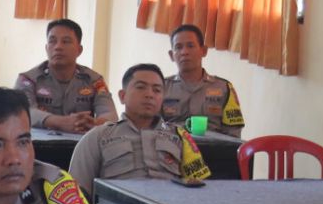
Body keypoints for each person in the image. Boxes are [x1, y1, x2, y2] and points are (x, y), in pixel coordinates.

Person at [69, 64, 207, 194]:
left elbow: (200, 190)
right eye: (141, 87)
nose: (149, 94)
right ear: (122, 96)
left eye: (157, 90)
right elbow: (76, 194)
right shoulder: (97, 137)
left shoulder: (180, 137)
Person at [14, 19, 117, 133]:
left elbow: (110, 115)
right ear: (46, 48)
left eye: (66, 41)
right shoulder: (28, 80)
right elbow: (23, 112)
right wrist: (59, 122)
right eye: (52, 41)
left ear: (79, 50)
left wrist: (95, 123)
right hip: (39, 143)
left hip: (81, 142)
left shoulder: (94, 81)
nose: (58, 47)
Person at [161, 24, 244, 137]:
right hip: (172, 146)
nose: (184, 52)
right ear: (171, 55)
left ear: (203, 51)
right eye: (178, 47)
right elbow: (151, 126)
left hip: (213, 147)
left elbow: (233, 133)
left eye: (190, 46)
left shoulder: (224, 88)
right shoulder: (161, 87)